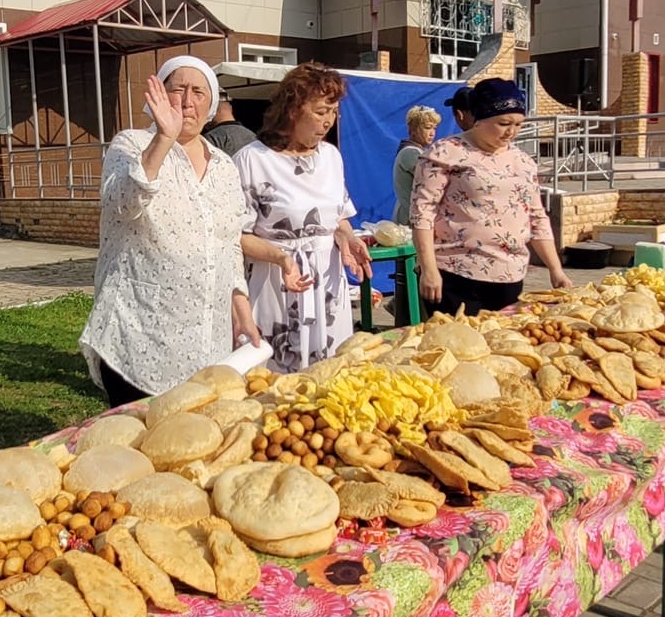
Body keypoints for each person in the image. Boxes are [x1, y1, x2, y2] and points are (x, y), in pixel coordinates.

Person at [81, 56, 261, 406]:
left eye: (198, 92)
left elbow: (227, 243)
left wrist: (242, 309)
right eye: (177, 89)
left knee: (196, 438)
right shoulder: (130, 144)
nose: (187, 100)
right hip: (140, 332)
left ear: (211, 105)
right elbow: (123, 202)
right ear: (158, 97)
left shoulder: (223, 165)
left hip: (207, 338)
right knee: (141, 445)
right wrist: (164, 139)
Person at [236, 63, 374, 372]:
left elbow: (336, 217)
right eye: (321, 111)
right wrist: (281, 258)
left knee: (330, 375)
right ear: (293, 109)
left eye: (334, 111)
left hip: (327, 281)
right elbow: (237, 235)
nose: (329, 121)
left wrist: (348, 237)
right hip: (277, 280)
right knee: (275, 379)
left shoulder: (330, 157)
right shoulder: (253, 160)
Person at [410, 75, 573, 316]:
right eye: (504, 123)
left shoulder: (523, 162)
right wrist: (428, 269)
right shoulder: (445, 153)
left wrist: (556, 270)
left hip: (509, 276)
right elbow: (422, 214)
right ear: (480, 119)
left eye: (518, 124)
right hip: (455, 274)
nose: (511, 132)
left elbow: (536, 218)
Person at [392, 104, 441, 226]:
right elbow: (433, 180)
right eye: (427, 127)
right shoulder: (410, 153)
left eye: (434, 128)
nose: (432, 133)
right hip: (409, 221)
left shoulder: (419, 152)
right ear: (413, 129)